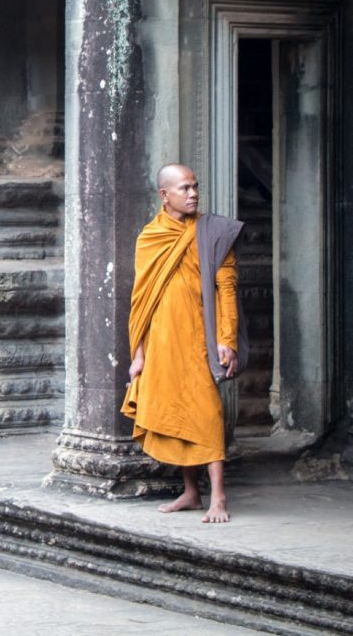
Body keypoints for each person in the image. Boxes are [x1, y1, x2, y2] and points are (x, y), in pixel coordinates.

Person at [120, 164, 246, 523]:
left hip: (198, 339)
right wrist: (138, 355)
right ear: (165, 195)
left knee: (206, 413)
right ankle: (191, 492)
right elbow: (140, 299)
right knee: (177, 415)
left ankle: (218, 497)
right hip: (161, 340)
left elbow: (227, 289)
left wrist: (227, 340)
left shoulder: (213, 233)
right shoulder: (150, 236)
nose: (193, 194)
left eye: (195, 187)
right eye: (185, 188)